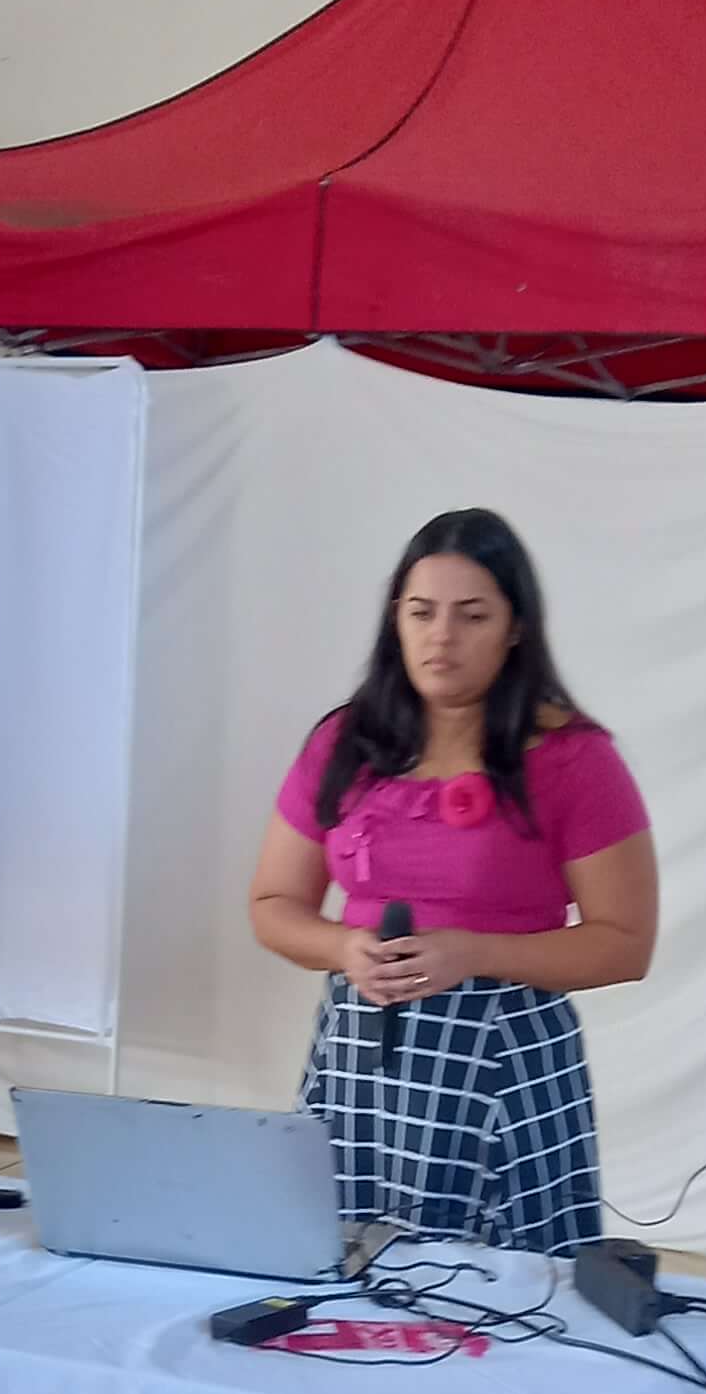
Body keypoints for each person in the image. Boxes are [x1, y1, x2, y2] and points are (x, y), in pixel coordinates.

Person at [249, 506, 658, 1255]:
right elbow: (273, 907)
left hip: (503, 1054)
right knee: (347, 1277)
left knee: (504, 1305)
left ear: (515, 628)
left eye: (472, 615)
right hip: (359, 1056)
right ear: (394, 621)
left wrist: (471, 952)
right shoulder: (344, 742)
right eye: (421, 612)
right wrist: (344, 947)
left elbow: (624, 945)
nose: (442, 636)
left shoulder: (573, 758)